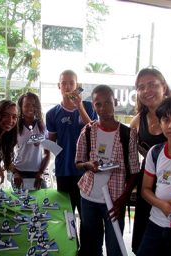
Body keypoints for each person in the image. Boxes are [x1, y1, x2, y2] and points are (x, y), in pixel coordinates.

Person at [75, 84, 139, 256]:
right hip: (88, 198)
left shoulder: (128, 134)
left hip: (115, 201)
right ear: (93, 106)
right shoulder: (88, 131)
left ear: (115, 102)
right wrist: (87, 165)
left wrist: (122, 199)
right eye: (98, 104)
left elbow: (134, 171)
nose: (103, 108)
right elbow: (78, 162)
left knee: (115, 247)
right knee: (90, 246)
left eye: (108, 103)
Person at [130, 67, 171, 253]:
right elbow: (128, 157)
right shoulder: (137, 121)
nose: (146, 90)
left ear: (163, 86)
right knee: (144, 244)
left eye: (152, 85)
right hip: (147, 186)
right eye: (141, 87)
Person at [137, 96, 171, 256]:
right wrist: (162, 205)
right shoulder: (155, 152)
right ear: (160, 123)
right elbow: (145, 190)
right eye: (166, 119)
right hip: (155, 224)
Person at [46, 70, 96, 216]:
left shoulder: (89, 107)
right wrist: (41, 143)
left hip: (86, 170)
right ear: (58, 86)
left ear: (77, 85)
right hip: (64, 171)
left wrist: (79, 106)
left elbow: (94, 133)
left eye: (71, 83)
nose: (67, 87)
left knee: (86, 217)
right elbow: (52, 144)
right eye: (64, 83)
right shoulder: (51, 114)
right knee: (66, 216)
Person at [12, 92, 50, 190]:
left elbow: (47, 153)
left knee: (40, 203)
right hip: (19, 174)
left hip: (37, 173)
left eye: (34, 105)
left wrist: (41, 172)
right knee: (19, 204)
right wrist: (15, 172)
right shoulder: (15, 126)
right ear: (21, 107)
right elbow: (7, 153)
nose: (31, 108)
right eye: (27, 105)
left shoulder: (42, 127)